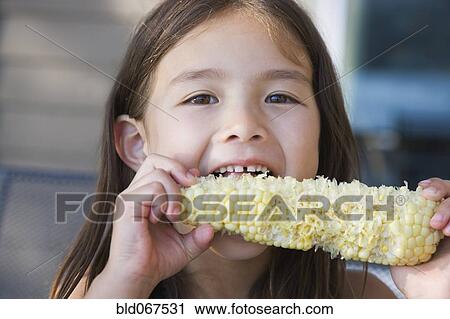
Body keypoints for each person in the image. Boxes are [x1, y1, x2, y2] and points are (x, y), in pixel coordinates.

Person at [50, 0, 450, 299]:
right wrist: (128, 282)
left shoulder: (362, 298)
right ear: (138, 146)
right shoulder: (98, 294)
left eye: (279, 97)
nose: (243, 126)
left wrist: (435, 299)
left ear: (321, 134)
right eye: (202, 98)